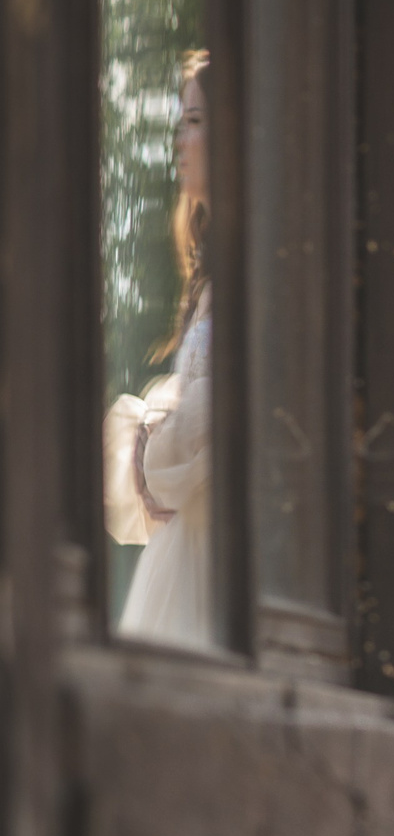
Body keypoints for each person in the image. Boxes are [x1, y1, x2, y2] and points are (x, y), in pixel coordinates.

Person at [103, 48, 218, 649]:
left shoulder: (254, 273)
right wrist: (149, 436)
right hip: (184, 547)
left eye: (194, 121)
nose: (179, 137)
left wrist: (156, 443)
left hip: (212, 553)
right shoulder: (209, 272)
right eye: (180, 119)